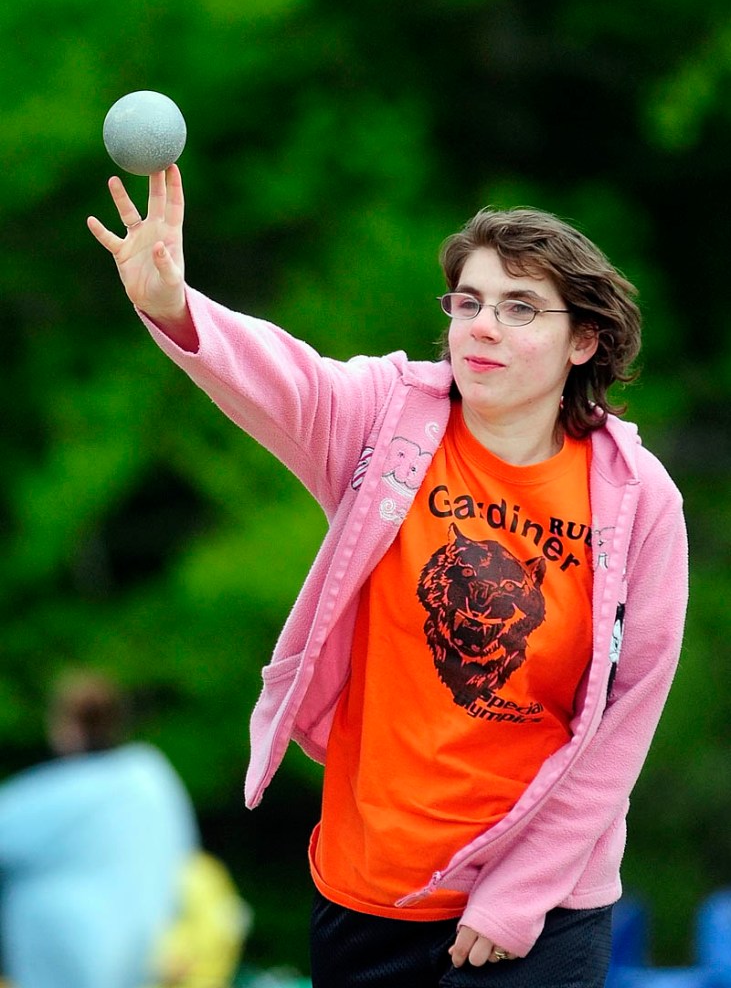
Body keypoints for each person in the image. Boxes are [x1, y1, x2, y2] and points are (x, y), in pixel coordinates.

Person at [88, 166, 688, 988]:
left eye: (519, 308)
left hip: (535, 909)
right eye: (468, 302)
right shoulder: (387, 418)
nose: (482, 326)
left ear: (582, 341)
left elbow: (626, 718)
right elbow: (286, 376)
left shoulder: (635, 497)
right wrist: (173, 303)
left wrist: (516, 898)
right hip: (367, 892)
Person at [0, 671, 199, 988]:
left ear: (67, 727)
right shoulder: (151, 779)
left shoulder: (53, 796)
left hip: (65, 964)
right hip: (143, 960)